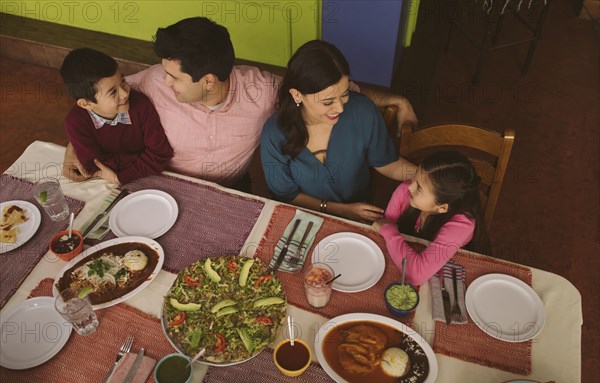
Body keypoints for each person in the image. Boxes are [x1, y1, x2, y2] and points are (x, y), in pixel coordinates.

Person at [62, 17, 417, 190]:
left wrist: (393, 99)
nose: (163, 79)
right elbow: (99, 105)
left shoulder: (260, 90)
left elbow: (321, 88)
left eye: (175, 76)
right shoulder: (154, 81)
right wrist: (72, 148)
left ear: (209, 81)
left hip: (233, 191)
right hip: (164, 184)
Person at [260, 40, 416, 223]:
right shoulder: (275, 132)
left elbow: (386, 162)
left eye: (345, 94)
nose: (340, 108)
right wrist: (341, 210)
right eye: (328, 102)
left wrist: (427, 176)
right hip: (302, 218)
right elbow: (287, 195)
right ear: (297, 95)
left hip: (357, 218)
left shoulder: (362, 110)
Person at [372, 150, 489, 285]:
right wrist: (387, 230)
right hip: (401, 262)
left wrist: (388, 231)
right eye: (415, 177)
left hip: (440, 280)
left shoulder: (462, 225)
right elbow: (382, 234)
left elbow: (416, 275)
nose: (410, 187)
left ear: (442, 208)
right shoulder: (405, 191)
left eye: (419, 188)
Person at [60, 48, 173, 185]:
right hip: (114, 179)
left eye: (123, 81)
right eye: (113, 92)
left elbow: (161, 154)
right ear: (86, 104)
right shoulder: (75, 123)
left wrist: (120, 176)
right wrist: (141, 159)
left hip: (144, 177)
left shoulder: (140, 104)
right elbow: (94, 166)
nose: (125, 94)